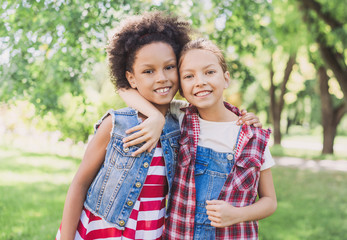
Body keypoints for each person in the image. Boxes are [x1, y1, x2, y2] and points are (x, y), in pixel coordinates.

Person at [121, 38, 277, 240]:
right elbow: (125, 89)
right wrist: (155, 116)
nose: (200, 81)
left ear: (226, 78)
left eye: (209, 72)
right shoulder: (180, 115)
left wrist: (238, 214)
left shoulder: (253, 136)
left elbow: (270, 201)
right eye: (188, 76)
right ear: (181, 88)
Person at [55, 11, 192, 240]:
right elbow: (79, 184)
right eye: (148, 71)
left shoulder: (182, 121)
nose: (162, 78)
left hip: (152, 233)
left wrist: (245, 118)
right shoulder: (116, 124)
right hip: (101, 231)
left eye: (169, 67)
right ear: (131, 78)